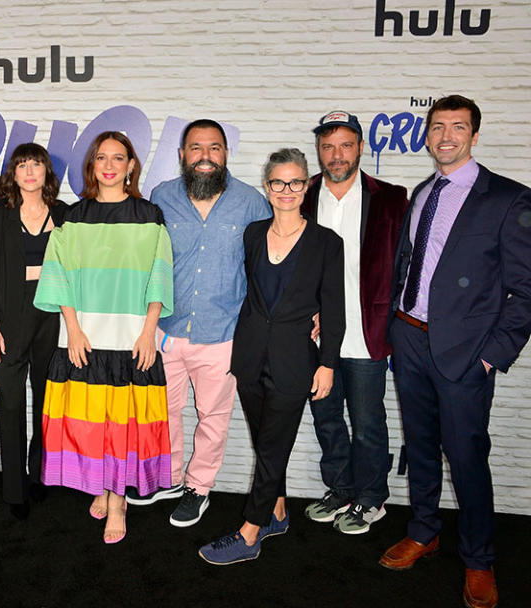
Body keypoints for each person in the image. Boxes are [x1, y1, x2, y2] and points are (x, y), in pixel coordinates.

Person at [379, 95, 531, 608]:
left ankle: (479, 559)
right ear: (426, 135)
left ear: (474, 135)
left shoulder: (507, 199)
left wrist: (492, 356)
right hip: (409, 339)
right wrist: (395, 328)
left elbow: (526, 290)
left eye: (458, 127)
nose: (446, 136)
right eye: (437, 126)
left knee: (466, 458)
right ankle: (424, 531)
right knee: (419, 448)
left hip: (466, 354)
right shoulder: (423, 191)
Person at [199, 148, 344, 565]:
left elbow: (334, 308)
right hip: (249, 354)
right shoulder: (253, 233)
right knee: (266, 443)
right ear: (268, 186)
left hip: (295, 360)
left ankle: (250, 531)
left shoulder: (325, 243)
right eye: (278, 182)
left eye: (295, 182)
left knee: (274, 445)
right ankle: (278, 510)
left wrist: (328, 363)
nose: (286, 190)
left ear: (307, 186)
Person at [34, 131, 174, 544]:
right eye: (101, 158)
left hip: (131, 339)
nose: (110, 165)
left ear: (132, 166)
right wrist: (73, 330)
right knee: (95, 424)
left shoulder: (150, 216)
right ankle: (100, 483)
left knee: (122, 425)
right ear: (92, 166)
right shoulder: (72, 218)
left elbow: (160, 277)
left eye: (119, 158)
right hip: (85, 338)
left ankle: (118, 502)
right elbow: (57, 273)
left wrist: (150, 333)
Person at [135, 119, 271, 528]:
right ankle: (171, 479)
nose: (205, 156)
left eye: (214, 148)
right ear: (182, 155)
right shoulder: (161, 196)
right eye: (196, 148)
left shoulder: (252, 202)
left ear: (226, 154)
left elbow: (267, 266)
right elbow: (145, 260)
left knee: (213, 417)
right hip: (166, 331)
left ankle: (199, 488)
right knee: (164, 411)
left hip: (223, 334)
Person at [300, 111, 408, 534]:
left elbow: (405, 265)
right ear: (318, 151)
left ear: (361, 147)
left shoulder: (392, 198)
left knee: (367, 422)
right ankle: (341, 489)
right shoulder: (302, 195)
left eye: (346, 145)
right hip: (315, 335)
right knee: (326, 418)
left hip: (367, 333)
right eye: (328, 146)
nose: (337, 154)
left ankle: (371, 498)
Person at [0, 143, 67, 520]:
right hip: (9, 321)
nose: (30, 171)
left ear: (47, 171)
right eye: (22, 165)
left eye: (37, 164)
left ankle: (40, 475)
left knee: (47, 403)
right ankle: (14, 489)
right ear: (12, 174)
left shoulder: (64, 214)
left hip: (52, 317)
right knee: (12, 405)